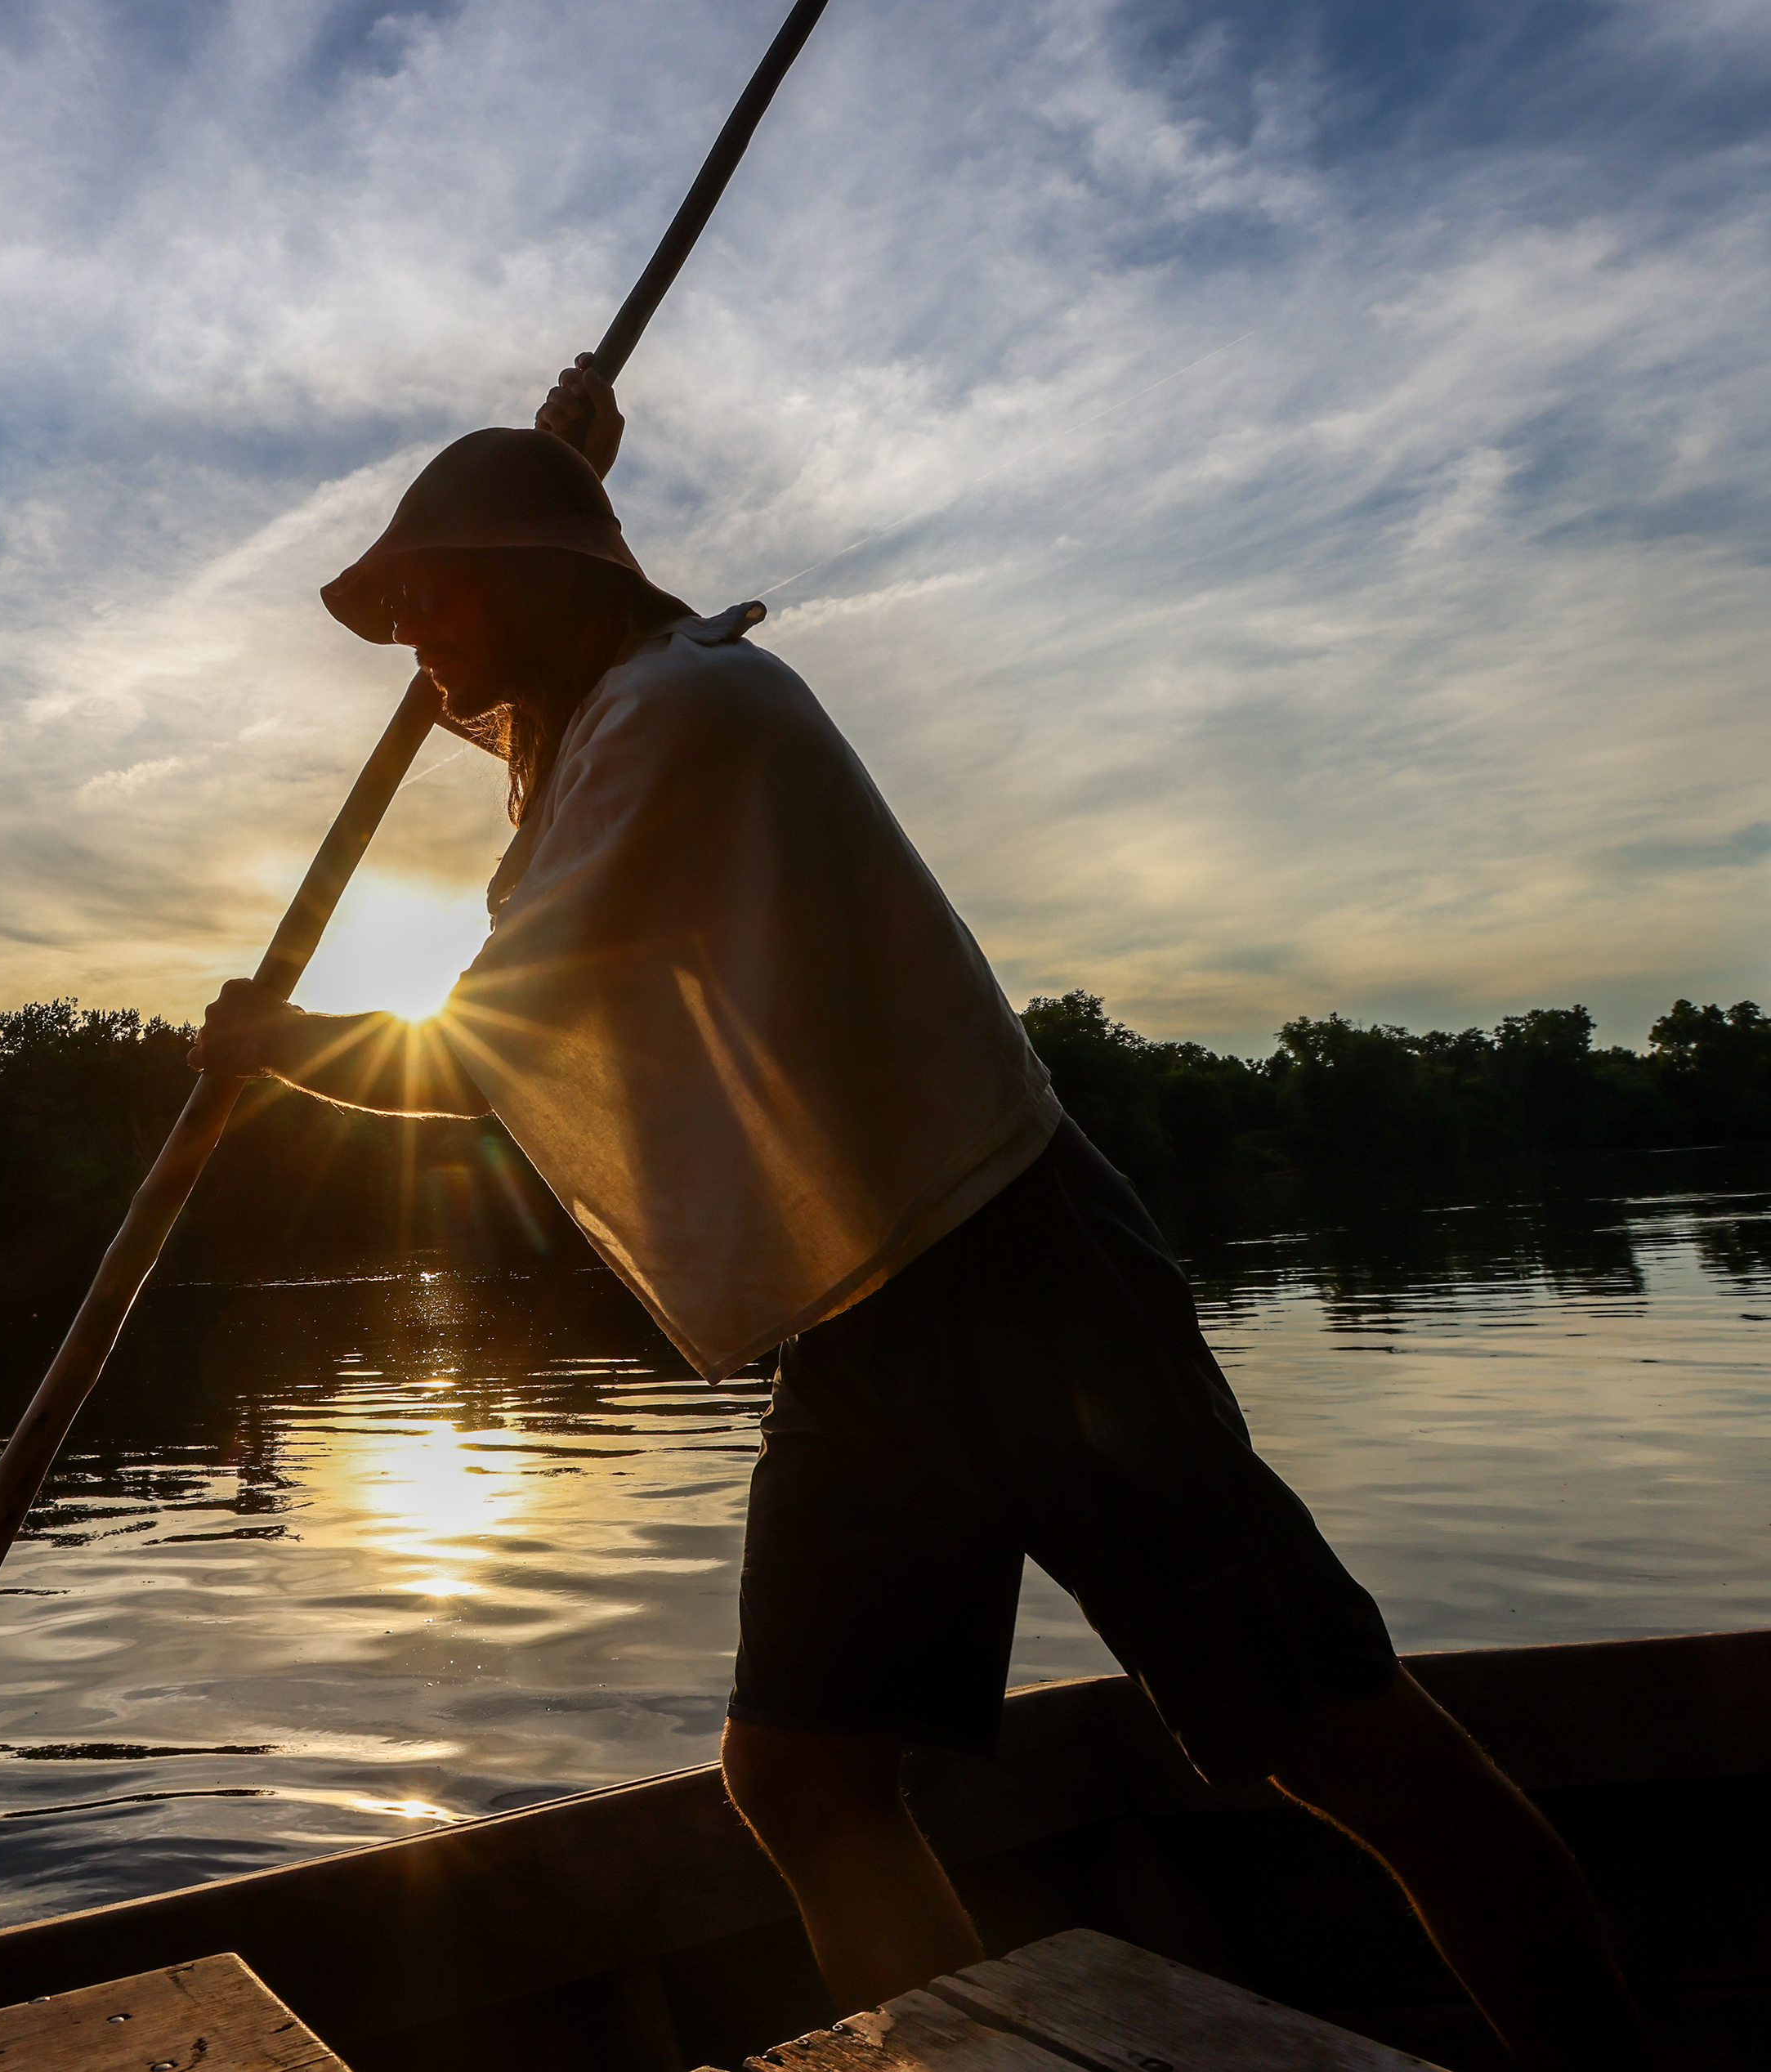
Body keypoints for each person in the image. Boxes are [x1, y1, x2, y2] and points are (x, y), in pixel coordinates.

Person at [190, 359, 1654, 2070]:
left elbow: (504, 1037)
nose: (417, 647)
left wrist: (279, 1050)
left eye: (434, 599)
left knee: (1333, 1735)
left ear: (533, 587)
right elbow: (556, 801)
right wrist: (555, 467)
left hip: (1023, 1272)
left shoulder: (685, 716)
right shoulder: (609, 737)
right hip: (864, 1316)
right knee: (801, 1777)